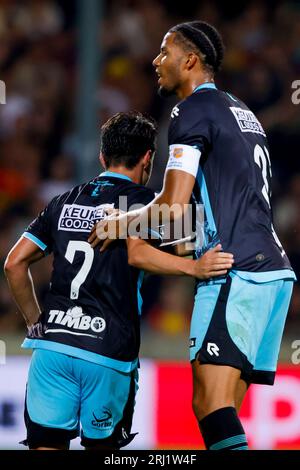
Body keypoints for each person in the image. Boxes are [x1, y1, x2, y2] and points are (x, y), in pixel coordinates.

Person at [89, 22, 296, 450]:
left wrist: (120, 221)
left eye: (164, 52)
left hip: (234, 272)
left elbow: (172, 203)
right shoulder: (242, 112)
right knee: (223, 415)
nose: (155, 61)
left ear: (190, 61)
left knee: (208, 404)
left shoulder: (190, 111)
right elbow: (217, 207)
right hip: (272, 273)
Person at [4, 111, 233, 450]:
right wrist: (195, 266)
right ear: (147, 158)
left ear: (102, 156)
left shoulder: (63, 200)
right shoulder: (145, 204)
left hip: (53, 347)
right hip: (107, 349)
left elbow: (14, 263)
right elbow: (194, 240)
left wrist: (36, 322)